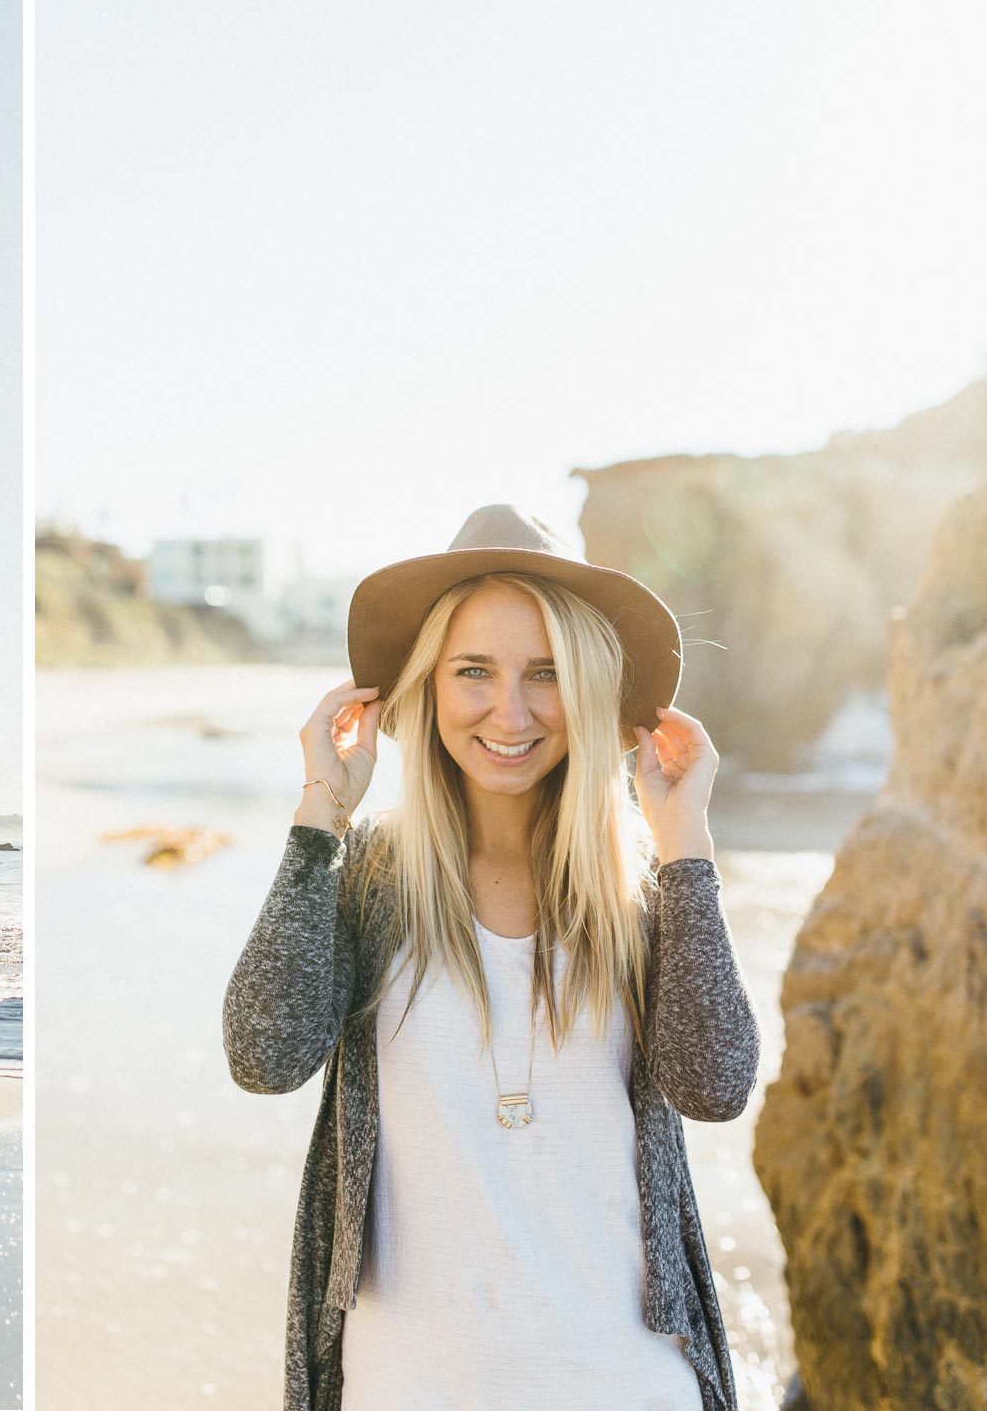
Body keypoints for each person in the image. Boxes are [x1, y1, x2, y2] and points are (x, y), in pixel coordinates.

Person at [222, 504, 759, 1411]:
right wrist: (321, 812)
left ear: (587, 687)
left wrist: (686, 844)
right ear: (427, 686)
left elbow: (716, 1084)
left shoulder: (643, 895)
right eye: (474, 670)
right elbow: (264, 1056)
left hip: (626, 1386)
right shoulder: (367, 884)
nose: (509, 711)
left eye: (545, 673)